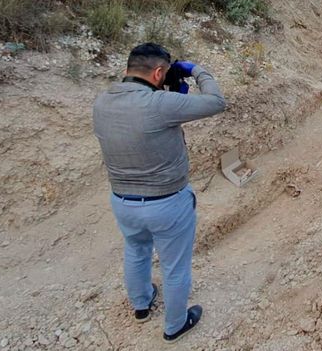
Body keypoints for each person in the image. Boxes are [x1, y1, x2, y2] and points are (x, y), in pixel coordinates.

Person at [92, 43, 226, 343]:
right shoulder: (160, 104)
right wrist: (195, 70)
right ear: (157, 72)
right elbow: (217, 101)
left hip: (122, 200)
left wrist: (169, 95)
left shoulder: (102, 102)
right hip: (166, 203)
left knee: (135, 251)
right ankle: (175, 325)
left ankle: (141, 305)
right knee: (175, 267)